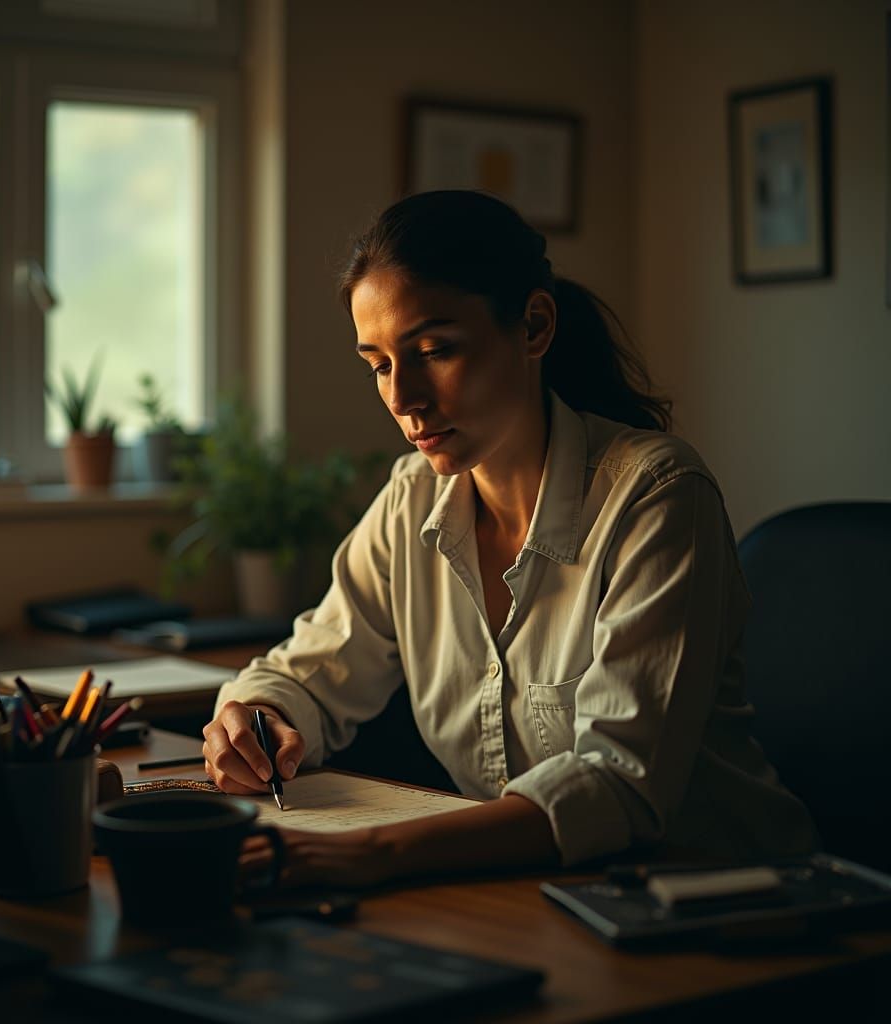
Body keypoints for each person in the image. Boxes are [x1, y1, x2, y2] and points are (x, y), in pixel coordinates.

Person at [203, 189, 817, 888]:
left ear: (532, 326)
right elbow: (309, 670)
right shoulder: (413, 499)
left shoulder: (656, 494)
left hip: (726, 905)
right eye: (378, 364)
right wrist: (259, 715)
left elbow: (618, 783)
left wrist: (377, 853)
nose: (403, 397)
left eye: (434, 350)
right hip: (538, 892)